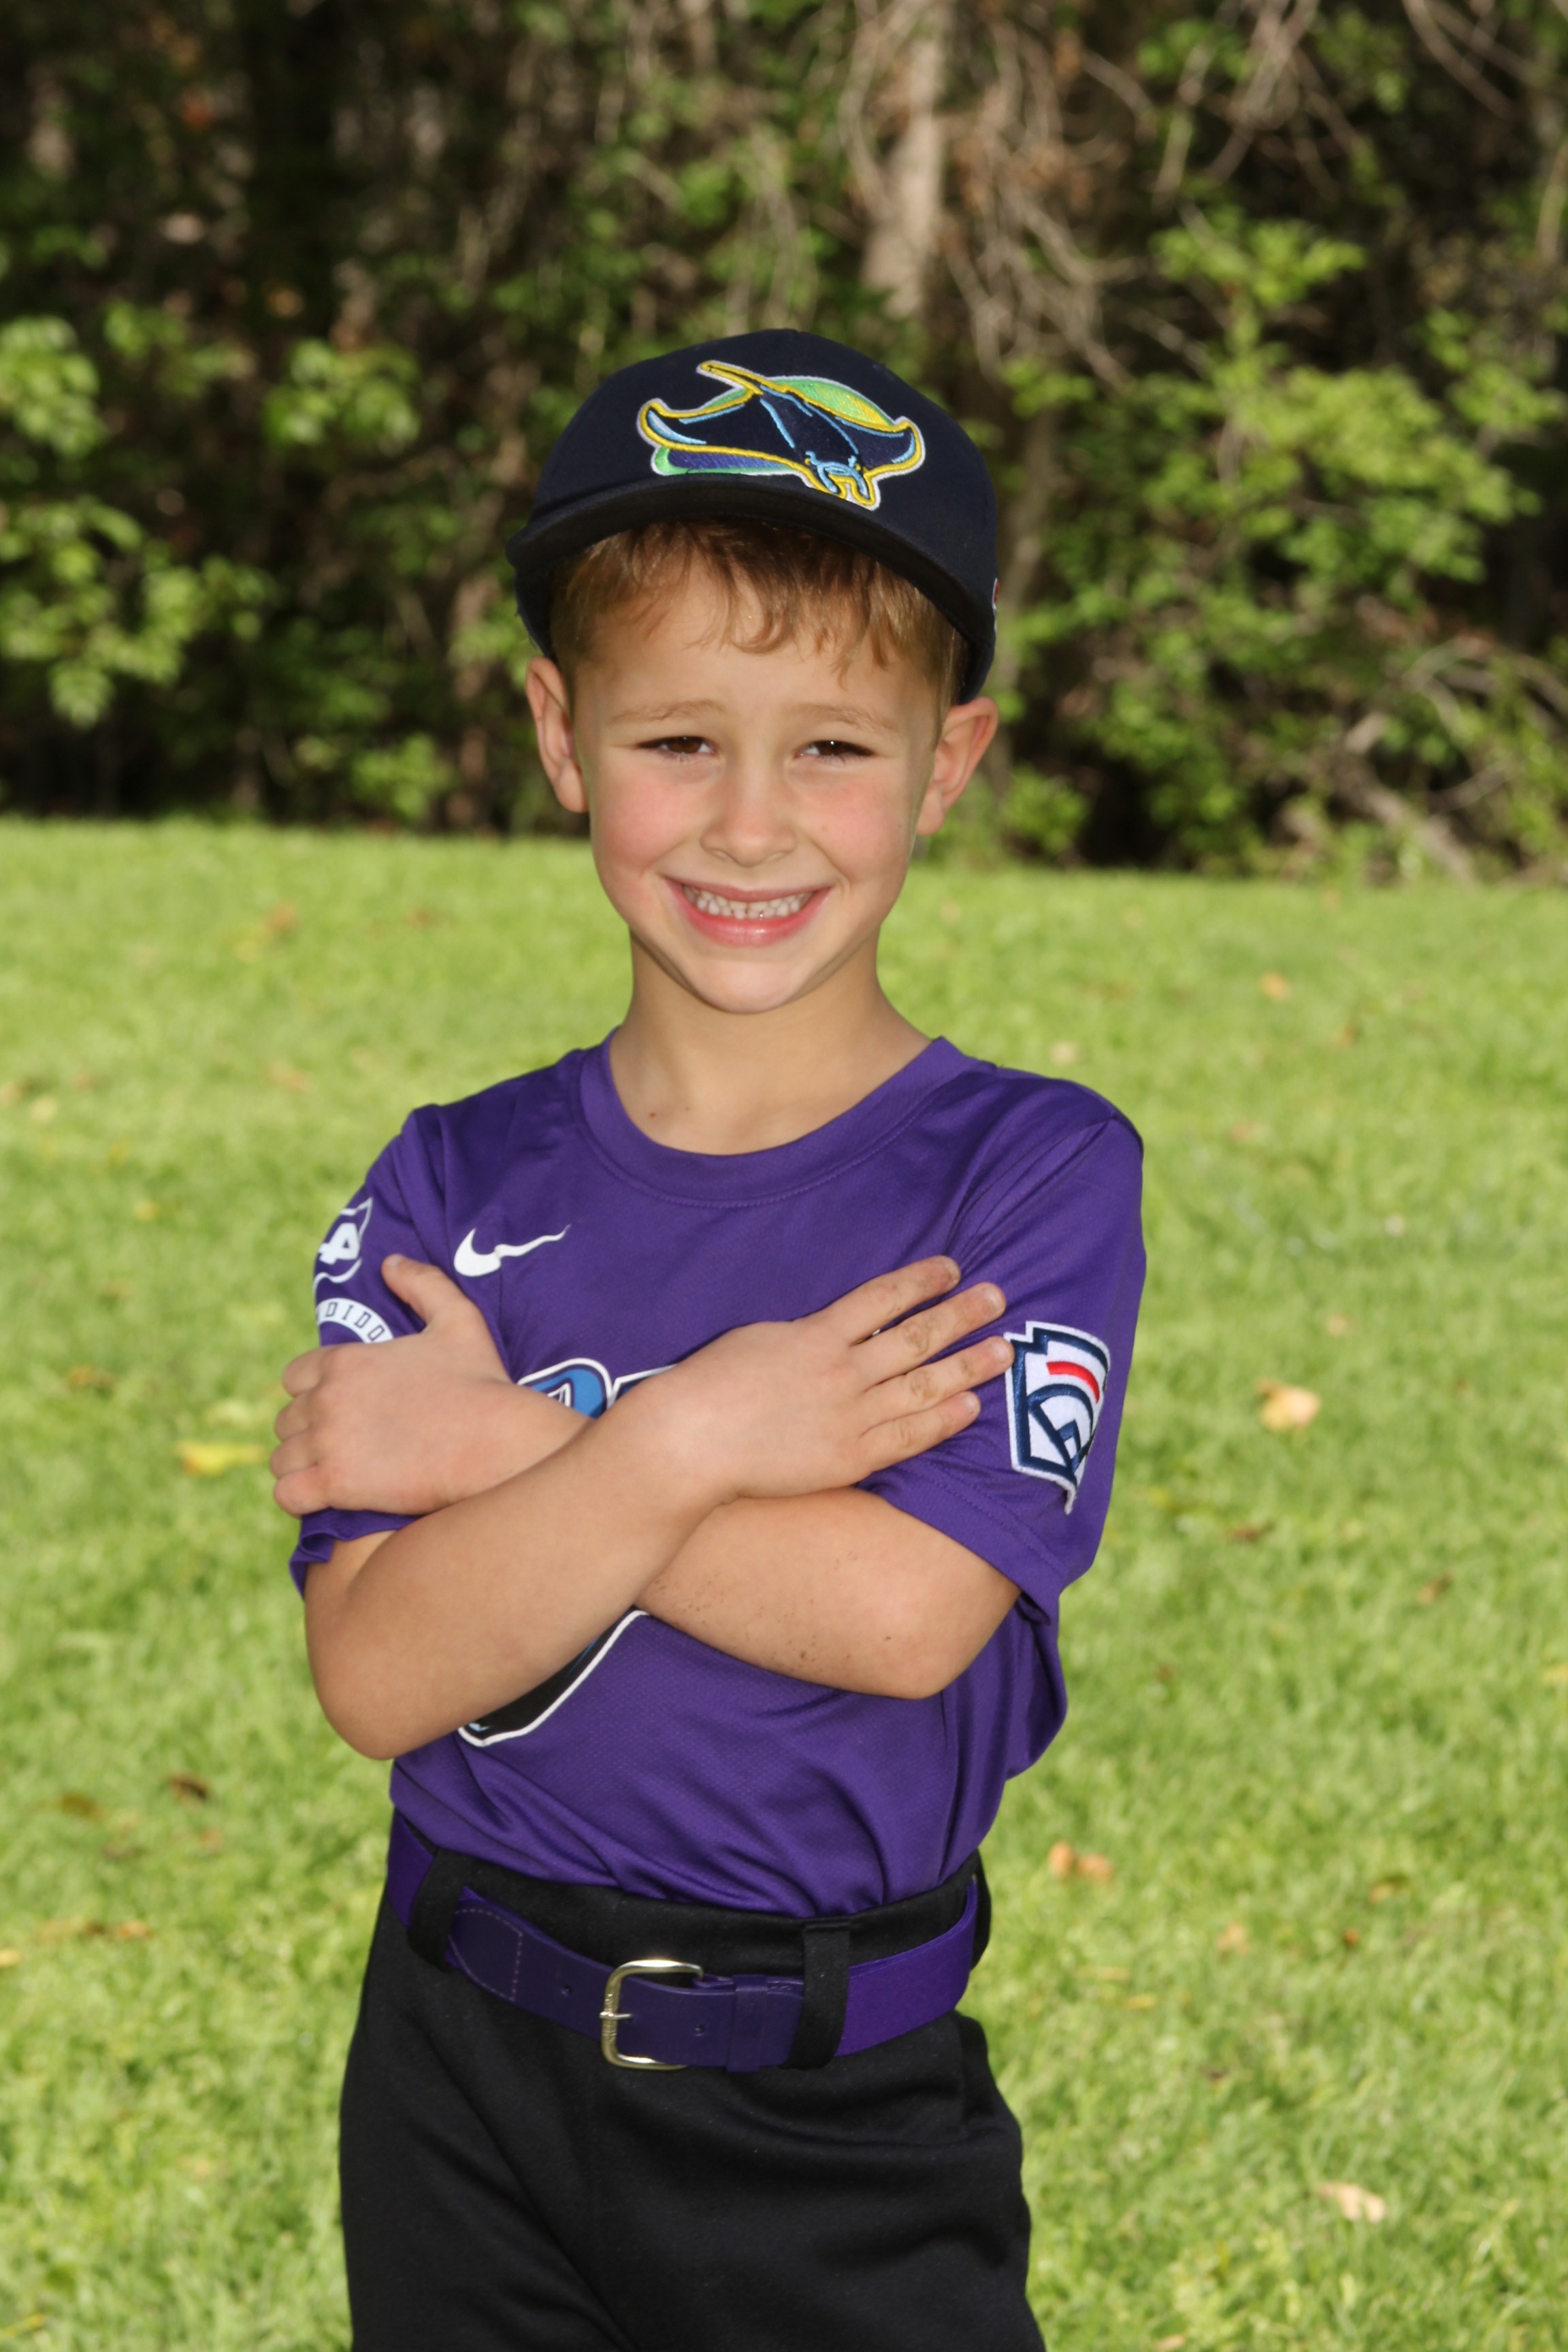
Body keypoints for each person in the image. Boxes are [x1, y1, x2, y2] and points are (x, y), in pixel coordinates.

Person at [271, 329, 1145, 2352]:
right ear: (562, 735)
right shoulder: (448, 1180)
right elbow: (381, 1672)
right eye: (680, 739)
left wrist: (519, 1448)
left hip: (832, 2122)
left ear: (950, 762)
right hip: (458, 2077)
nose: (752, 825)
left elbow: (906, 1615)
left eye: (833, 748)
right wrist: (698, 1443)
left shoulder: (1022, 1172)